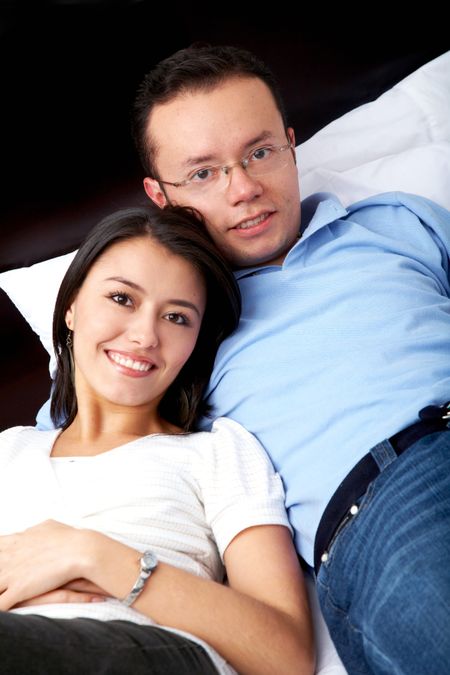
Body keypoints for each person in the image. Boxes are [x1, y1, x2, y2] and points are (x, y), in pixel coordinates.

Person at [128, 45, 450, 674]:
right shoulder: (173, 322)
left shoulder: (397, 221)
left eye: (260, 152)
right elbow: (73, 441)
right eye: (203, 173)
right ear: (160, 197)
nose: (245, 188)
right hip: (390, 498)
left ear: (291, 144)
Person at [0, 204, 314, 674]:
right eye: (122, 299)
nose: (146, 335)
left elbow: (286, 654)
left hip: (150, 652)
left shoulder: (217, 451)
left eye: (177, 318)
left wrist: (90, 555)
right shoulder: (9, 450)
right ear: (70, 307)